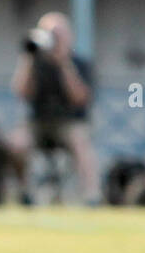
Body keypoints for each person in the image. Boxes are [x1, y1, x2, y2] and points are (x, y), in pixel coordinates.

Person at [7, 12, 98, 205]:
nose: (54, 39)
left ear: (68, 36)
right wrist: (28, 58)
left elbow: (80, 98)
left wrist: (64, 63)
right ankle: (26, 193)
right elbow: (21, 92)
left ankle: (92, 196)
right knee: (16, 144)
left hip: (69, 123)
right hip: (37, 122)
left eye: (58, 34)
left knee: (81, 142)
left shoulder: (80, 63)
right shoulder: (35, 62)